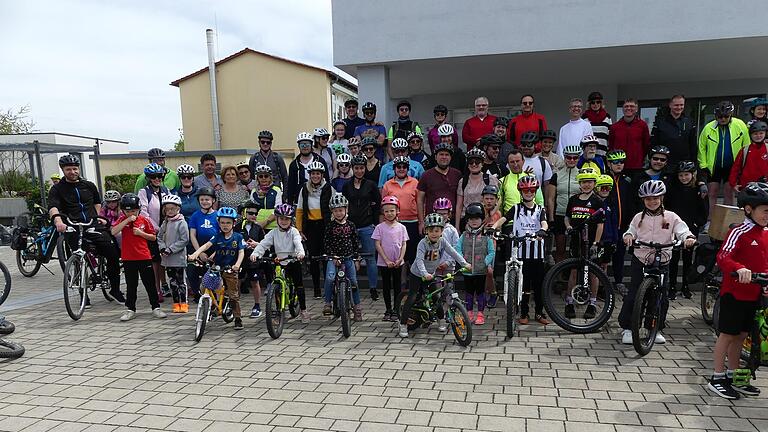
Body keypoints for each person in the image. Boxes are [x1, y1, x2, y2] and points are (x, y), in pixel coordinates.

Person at [709, 182, 768, 399]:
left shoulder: (765, 233)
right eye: (765, 211)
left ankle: (736, 377)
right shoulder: (738, 231)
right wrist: (739, 268)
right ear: (748, 209)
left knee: (742, 336)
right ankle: (717, 376)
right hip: (734, 293)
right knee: (727, 335)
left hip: (754, 294)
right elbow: (724, 256)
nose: (767, 215)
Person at [618, 180, 697, 345]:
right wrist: (628, 237)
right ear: (643, 201)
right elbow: (630, 231)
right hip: (641, 258)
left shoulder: (671, 217)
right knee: (634, 294)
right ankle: (628, 328)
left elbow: (682, 230)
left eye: (655, 198)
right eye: (647, 199)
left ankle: (655, 327)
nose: (652, 202)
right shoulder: (638, 217)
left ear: (661, 198)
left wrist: (688, 238)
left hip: (663, 260)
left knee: (660, 296)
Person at [49, 155, 126, 304]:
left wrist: (98, 217)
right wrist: (58, 220)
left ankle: (115, 289)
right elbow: (53, 206)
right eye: (68, 169)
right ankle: (83, 294)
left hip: (92, 224)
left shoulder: (89, 185)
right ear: (63, 170)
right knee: (77, 257)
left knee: (112, 252)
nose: (72, 172)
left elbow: (97, 203)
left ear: (79, 169)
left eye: (75, 168)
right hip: (71, 225)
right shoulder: (57, 188)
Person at [398, 213, 470, 338]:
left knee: (436, 296)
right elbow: (419, 260)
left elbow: (453, 252)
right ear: (426, 231)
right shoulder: (422, 243)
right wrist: (424, 273)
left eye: (437, 230)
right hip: (417, 274)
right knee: (412, 297)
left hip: (430, 274)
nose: (434, 233)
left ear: (442, 231)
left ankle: (441, 320)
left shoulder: (442, 241)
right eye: (431, 230)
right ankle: (403, 324)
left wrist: (464, 263)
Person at [492, 176, 550, 325]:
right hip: (521, 253)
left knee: (538, 285)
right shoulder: (516, 208)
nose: (529, 193)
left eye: (531, 190)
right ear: (521, 192)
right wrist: (493, 228)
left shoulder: (539, 209)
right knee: (523, 286)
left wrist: (542, 230)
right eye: (525, 190)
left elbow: (544, 223)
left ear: (535, 191)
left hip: (537, 253)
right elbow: (503, 219)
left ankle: (539, 312)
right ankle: (524, 313)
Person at [188, 207, 246, 330]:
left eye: (228, 223)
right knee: (204, 286)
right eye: (222, 222)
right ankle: (213, 306)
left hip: (230, 269)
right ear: (218, 223)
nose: (225, 225)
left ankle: (237, 318)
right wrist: (196, 253)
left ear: (234, 223)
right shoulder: (217, 236)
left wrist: (237, 265)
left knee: (233, 296)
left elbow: (241, 253)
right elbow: (206, 245)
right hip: (217, 267)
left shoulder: (238, 237)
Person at [251, 203, 310, 323]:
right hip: (279, 262)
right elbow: (263, 244)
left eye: (287, 219)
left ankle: (303, 310)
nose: (284, 221)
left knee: (299, 285)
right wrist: (256, 253)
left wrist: (300, 253)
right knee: (277, 287)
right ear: (277, 219)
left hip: (293, 260)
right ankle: (279, 312)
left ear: (291, 220)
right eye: (281, 218)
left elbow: (297, 242)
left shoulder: (294, 232)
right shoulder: (273, 233)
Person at [112, 193, 166, 321]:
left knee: (150, 283)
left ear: (138, 209)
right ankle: (130, 309)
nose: (131, 213)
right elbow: (114, 231)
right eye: (128, 211)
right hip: (128, 258)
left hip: (144, 256)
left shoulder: (144, 220)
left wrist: (141, 233)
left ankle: (155, 307)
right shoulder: (121, 220)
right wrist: (126, 220)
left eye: (134, 211)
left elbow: (153, 237)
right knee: (131, 284)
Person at [699, 101, 751, 225]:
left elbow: (747, 146)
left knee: (729, 192)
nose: (722, 119)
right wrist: (703, 166)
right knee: (712, 193)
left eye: (726, 116)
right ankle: (710, 222)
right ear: (715, 116)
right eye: (719, 117)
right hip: (714, 166)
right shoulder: (709, 127)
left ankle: (729, 223)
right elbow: (701, 147)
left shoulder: (740, 125)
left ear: (731, 115)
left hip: (732, 166)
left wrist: (744, 166)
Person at [563, 167, 605, 319]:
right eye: (584, 182)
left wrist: (596, 243)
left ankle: (592, 304)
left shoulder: (597, 201)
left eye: (590, 182)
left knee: (593, 273)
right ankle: (569, 302)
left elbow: (601, 224)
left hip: (592, 242)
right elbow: (567, 217)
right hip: (576, 241)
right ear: (579, 184)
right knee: (573, 271)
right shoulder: (573, 200)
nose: (587, 185)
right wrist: (568, 226)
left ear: (594, 183)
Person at [666, 161, 708, 300]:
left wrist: (698, 224)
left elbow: (704, 210)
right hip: (674, 228)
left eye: (686, 175)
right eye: (681, 175)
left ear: (693, 174)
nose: (684, 178)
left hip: (691, 228)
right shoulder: (673, 189)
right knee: (673, 259)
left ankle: (685, 285)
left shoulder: (698, 190)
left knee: (688, 259)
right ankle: (671, 286)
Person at [342, 155, 381, 300]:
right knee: (349, 257)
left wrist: (375, 224)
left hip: (367, 225)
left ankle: (372, 288)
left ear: (365, 168)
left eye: (362, 168)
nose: (359, 171)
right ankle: (351, 285)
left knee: (370, 258)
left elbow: (377, 205)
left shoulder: (371, 185)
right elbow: (344, 205)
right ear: (353, 169)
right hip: (351, 225)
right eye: (357, 168)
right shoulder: (347, 185)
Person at [322, 194, 364, 321]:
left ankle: (357, 307)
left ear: (346, 210)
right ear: (332, 212)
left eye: (340, 210)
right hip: (333, 258)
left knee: (353, 281)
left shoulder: (351, 225)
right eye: (335, 211)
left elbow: (356, 242)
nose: (338, 213)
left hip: (349, 257)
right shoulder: (330, 226)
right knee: (329, 277)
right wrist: (332, 256)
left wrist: (357, 258)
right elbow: (326, 243)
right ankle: (328, 303)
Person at [296, 161, 333, 299]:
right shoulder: (304, 189)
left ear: (322, 175)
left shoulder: (329, 188)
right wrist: (299, 229)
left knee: (325, 258)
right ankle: (317, 288)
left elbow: (335, 208)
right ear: (309, 175)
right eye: (313, 174)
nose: (315, 176)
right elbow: (299, 210)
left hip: (325, 226)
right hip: (310, 227)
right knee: (313, 259)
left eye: (318, 173)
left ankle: (328, 288)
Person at [456, 203, 495, 325]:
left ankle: (480, 314)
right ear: (467, 220)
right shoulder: (463, 235)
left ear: (482, 219)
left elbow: (491, 251)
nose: (474, 222)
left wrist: (485, 262)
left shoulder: (486, 236)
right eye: (471, 219)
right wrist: (462, 261)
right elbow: (457, 249)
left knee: (480, 293)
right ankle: (469, 313)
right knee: (468, 293)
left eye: (477, 219)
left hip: (480, 270)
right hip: (467, 270)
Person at [373, 196, 409, 322]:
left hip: (398, 262)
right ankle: (388, 309)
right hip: (384, 263)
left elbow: (404, 244)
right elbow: (377, 244)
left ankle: (396, 309)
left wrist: (400, 258)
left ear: (397, 211)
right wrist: (386, 260)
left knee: (398, 286)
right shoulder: (379, 227)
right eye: (386, 211)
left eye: (392, 210)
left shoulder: (402, 227)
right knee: (386, 286)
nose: (389, 213)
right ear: (383, 212)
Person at [138, 163, 171, 300]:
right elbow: (144, 213)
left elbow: (172, 207)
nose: (157, 179)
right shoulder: (144, 192)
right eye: (153, 176)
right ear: (148, 178)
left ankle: (165, 284)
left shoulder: (166, 190)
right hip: (152, 231)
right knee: (155, 261)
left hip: (166, 230)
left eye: (159, 176)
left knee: (165, 259)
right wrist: (155, 229)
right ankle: (156, 289)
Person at [381, 156, 420, 271]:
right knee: (398, 253)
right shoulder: (388, 185)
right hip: (395, 223)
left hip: (412, 222)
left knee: (412, 252)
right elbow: (383, 206)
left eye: (404, 167)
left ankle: (414, 281)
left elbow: (420, 203)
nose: (401, 169)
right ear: (394, 169)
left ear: (408, 169)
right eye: (399, 167)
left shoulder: (415, 182)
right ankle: (401, 282)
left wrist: (421, 222)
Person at [604, 150, 634, 292]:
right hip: (608, 225)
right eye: (615, 162)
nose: (619, 165)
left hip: (623, 224)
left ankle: (619, 281)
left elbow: (631, 203)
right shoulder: (604, 178)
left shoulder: (627, 180)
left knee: (620, 254)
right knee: (605, 255)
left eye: (621, 161)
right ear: (609, 163)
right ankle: (602, 284)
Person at [546, 145, 582, 262]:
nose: (571, 160)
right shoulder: (556, 175)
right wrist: (551, 219)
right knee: (560, 249)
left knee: (576, 248)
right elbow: (551, 199)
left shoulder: (582, 175)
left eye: (575, 158)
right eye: (568, 157)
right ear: (565, 158)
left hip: (577, 215)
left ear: (578, 158)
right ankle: (559, 274)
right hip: (560, 214)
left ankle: (573, 274)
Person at [417, 143, 462, 234]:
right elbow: (420, 200)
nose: (444, 157)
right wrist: (421, 222)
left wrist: (457, 225)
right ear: (435, 157)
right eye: (441, 154)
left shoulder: (457, 174)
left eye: (447, 155)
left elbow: (459, 201)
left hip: (451, 220)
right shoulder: (426, 175)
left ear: (450, 157)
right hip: (431, 221)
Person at [157, 194, 189, 314]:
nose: (170, 211)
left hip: (178, 259)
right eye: (167, 209)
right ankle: (176, 303)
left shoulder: (181, 222)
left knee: (181, 282)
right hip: (168, 259)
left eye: (172, 208)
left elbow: (184, 240)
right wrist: (163, 247)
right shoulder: (165, 222)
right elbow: (159, 237)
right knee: (173, 282)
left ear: (178, 209)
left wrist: (171, 249)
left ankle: (184, 303)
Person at [187, 187, 219, 301]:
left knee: (213, 275)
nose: (204, 202)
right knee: (191, 272)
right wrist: (199, 253)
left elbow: (221, 236)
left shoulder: (218, 216)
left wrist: (215, 253)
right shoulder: (195, 216)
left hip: (214, 250)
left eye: (207, 199)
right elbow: (192, 235)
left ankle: (215, 299)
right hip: (199, 249)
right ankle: (198, 294)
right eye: (202, 199)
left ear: (213, 200)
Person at [455, 148, 499, 229]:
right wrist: (457, 227)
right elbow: (459, 206)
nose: (474, 164)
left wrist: (490, 214)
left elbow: (498, 200)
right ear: (467, 164)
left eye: (477, 162)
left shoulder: (490, 179)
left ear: (482, 163)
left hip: (485, 220)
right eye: (471, 162)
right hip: (466, 221)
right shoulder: (463, 181)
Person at [650, 95, 698, 167]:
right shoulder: (660, 122)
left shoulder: (690, 122)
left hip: (684, 165)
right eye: (676, 105)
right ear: (670, 105)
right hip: (664, 164)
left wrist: (694, 163)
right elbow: (654, 143)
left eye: (681, 105)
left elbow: (693, 145)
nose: (679, 107)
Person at [237, 201, 265, 319]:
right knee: (236, 282)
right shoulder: (236, 227)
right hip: (239, 260)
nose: (254, 215)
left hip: (253, 260)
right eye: (250, 213)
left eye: (256, 213)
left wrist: (256, 244)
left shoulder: (258, 228)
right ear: (243, 213)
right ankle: (234, 305)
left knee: (255, 282)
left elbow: (265, 243)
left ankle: (257, 305)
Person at [608, 98, 651, 176]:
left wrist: (639, 158)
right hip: (619, 166)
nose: (629, 108)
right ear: (623, 109)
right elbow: (611, 146)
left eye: (632, 106)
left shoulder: (642, 125)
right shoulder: (615, 127)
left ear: (636, 109)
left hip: (636, 167)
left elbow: (646, 145)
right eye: (626, 106)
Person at [285, 132, 329, 205]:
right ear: (299, 146)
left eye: (307, 144)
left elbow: (326, 180)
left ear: (311, 145)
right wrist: (290, 203)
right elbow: (291, 186)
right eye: (302, 144)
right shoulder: (294, 165)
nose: (305, 147)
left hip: (318, 200)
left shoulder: (320, 161)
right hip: (300, 202)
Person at [498, 149, 544, 216]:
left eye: (517, 161)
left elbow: (540, 201)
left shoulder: (532, 178)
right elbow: (499, 205)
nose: (515, 164)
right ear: (508, 164)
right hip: (510, 222)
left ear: (523, 161)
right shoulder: (502, 181)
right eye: (512, 162)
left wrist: (543, 217)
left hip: (531, 220)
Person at [729, 120, 768, 193]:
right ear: (751, 135)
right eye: (755, 134)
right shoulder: (745, 150)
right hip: (746, 187)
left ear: (765, 134)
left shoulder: (767, 148)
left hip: (765, 188)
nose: (758, 136)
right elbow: (735, 168)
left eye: (761, 133)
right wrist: (733, 184)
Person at [631, 146, 671, 210]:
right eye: (655, 158)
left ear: (666, 162)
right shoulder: (638, 177)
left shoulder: (670, 177)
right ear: (650, 159)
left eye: (662, 160)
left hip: (665, 215)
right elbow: (632, 200)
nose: (658, 161)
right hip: (642, 214)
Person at [519, 132, 554, 204]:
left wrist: (546, 204)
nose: (526, 147)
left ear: (535, 145)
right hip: (518, 202)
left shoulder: (543, 162)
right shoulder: (515, 161)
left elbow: (546, 186)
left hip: (537, 203)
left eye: (529, 145)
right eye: (523, 145)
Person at [250, 165, 283, 231]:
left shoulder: (276, 190)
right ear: (257, 178)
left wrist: (265, 222)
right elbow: (251, 210)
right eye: (260, 176)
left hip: (273, 225)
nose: (263, 178)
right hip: (257, 225)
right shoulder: (254, 191)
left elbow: (277, 209)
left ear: (270, 177)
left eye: (266, 176)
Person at [582, 92, 612, 156]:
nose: (595, 104)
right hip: (588, 154)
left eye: (598, 102)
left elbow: (610, 136)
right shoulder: (584, 117)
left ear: (601, 103)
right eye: (593, 102)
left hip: (603, 153)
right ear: (589, 104)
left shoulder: (607, 117)